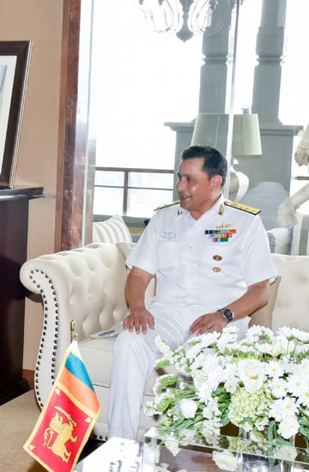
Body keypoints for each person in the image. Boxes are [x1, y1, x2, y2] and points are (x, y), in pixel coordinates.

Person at [108, 145, 277, 440]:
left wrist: (224, 315)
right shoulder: (163, 219)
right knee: (129, 341)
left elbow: (261, 290)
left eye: (190, 180)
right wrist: (137, 307)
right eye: (179, 178)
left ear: (215, 183)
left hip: (220, 318)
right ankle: (119, 444)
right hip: (168, 313)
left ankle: (178, 450)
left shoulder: (245, 222)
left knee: (197, 357)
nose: (180, 187)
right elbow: (138, 274)